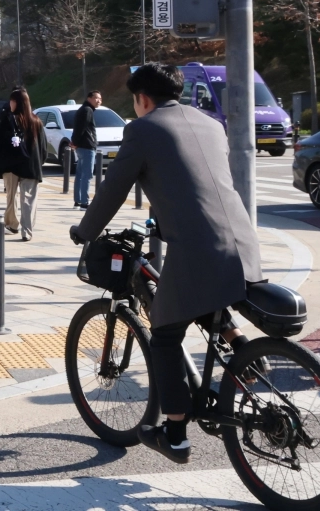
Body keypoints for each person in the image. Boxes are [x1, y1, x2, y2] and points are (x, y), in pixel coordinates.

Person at [71, 64, 263, 464]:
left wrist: (85, 229)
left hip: (197, 249)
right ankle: (242, 350)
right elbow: (195, 183)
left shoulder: (142, 129)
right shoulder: (210, 123)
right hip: (243, 242)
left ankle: (175, 433)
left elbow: (112, 190)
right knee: (202, 298)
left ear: (142, 98)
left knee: (163, 332)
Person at [0, 88, 46, 241]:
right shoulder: (36, 122)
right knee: (28, 199)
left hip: (11, 165)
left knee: (11, 196)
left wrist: (0, 161)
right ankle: (27, 231)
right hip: (31, 165)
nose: (10, 103)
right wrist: (39, 162)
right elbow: (42, 147)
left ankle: (12, 223)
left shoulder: (8, 120)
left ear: (16, 102)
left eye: (11, 100)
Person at [70, 90, 101, 210]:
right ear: (89, 98)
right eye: (97, 98)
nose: (99, 101)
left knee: (80, 175)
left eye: (100, 99)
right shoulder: (87, 110)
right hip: (87, 146)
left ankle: (78, 201)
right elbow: (80, 128)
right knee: (87, 175)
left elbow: (78, 129)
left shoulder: (83, 109)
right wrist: (75, 142)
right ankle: (84, 202)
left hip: (82, 146)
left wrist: (75, 142)